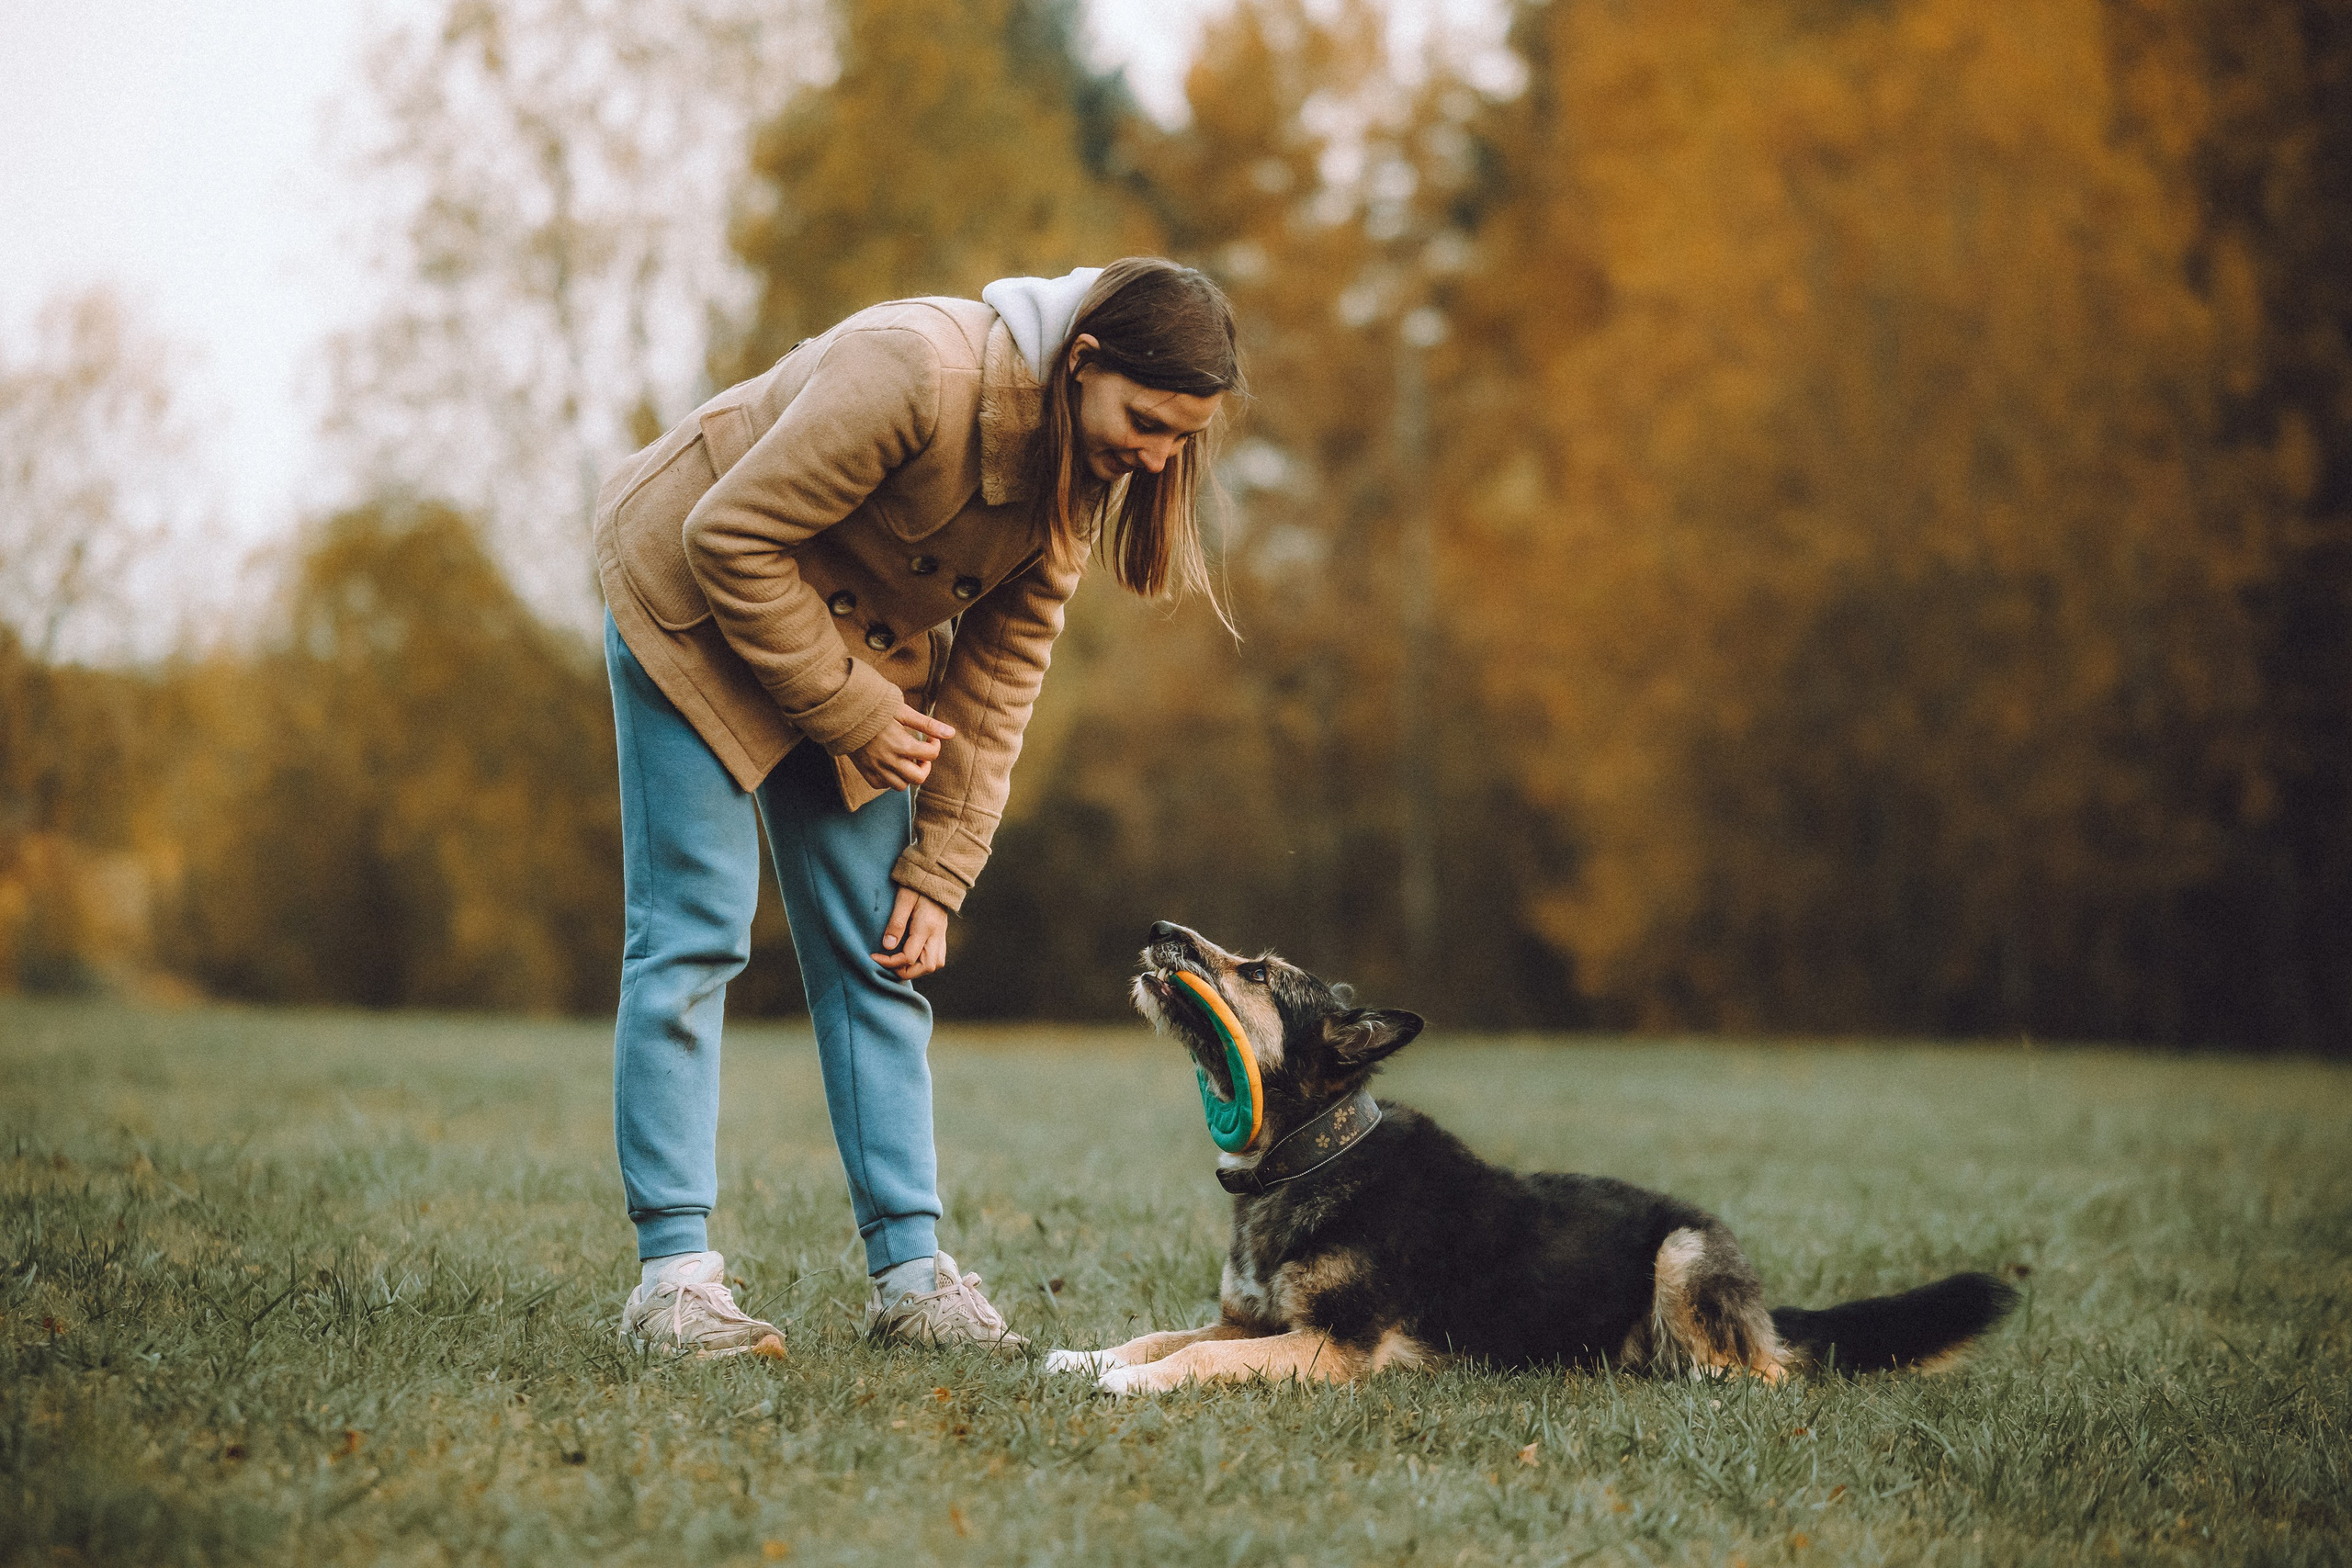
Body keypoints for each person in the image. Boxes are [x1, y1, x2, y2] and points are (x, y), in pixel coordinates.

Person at [594, 258, 1242, 1355]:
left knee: (884, 950)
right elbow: (728, 538)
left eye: (1180, 438)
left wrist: (939, 869)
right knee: (694, 935)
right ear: (1080, 363)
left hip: (850, 654)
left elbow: (999, 680)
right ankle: (672, 1282)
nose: (1156, 456)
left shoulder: (1078, 475)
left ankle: (911, 1283)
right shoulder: (912, 370)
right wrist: (854, 710)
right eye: (1144, 421)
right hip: (692, 608)